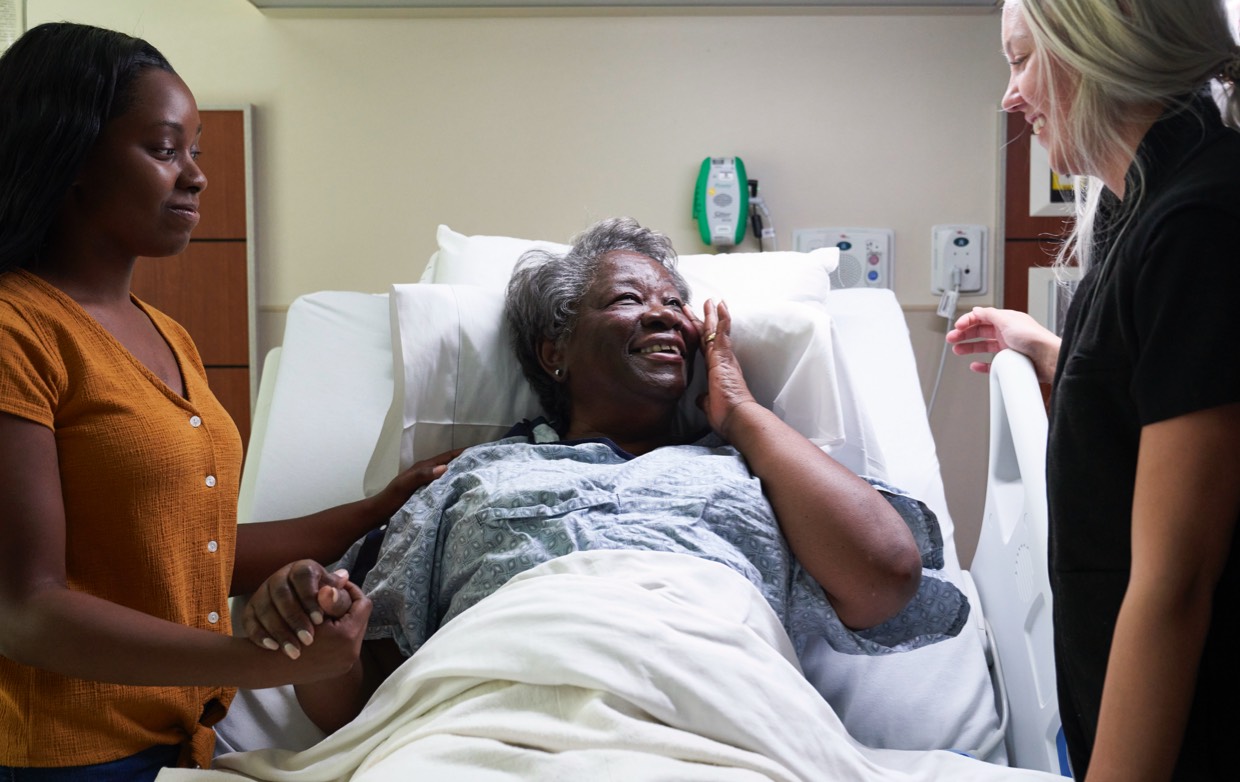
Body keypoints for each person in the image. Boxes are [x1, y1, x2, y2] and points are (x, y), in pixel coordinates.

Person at [244, 217, 972, 736]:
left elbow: (886, 573)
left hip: (720, 725)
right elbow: (358, 699)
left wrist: (743, 411)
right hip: (483, 729)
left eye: (675, 304)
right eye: (629, 300)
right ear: (553, 349)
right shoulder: (473, 478)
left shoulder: (756, 475)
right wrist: (319, 637)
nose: (664, 317)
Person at [0, 23, 453, 778]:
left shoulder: (167, 336)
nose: (197, 177)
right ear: (69, 153)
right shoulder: (18, 330)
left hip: (182, 745)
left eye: (196, 152)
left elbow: (191, 551)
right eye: (164, 149)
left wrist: (379, 508)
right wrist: (251, 660)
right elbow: (27, 609)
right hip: (63, 756)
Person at [947, 1, 1240, 779]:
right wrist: (1045, 350)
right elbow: (1149, 384)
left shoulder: (1203, 222)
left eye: (1019, 59)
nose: (1010, 96)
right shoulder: (1134, 202)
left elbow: (1174, 584)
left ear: (1097, 50)